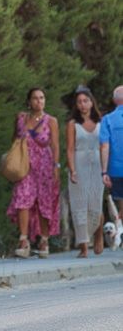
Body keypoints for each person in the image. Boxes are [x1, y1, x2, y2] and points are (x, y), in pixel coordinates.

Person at [6, 87, 60, 259]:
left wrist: (56, 166)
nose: (39, 101)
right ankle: (23, 240)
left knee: (44, 202)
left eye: (42, 97)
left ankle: (44, 240)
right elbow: (14, 138)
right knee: (22, 198)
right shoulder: (21, 118)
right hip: (25, 165)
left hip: (44, 166)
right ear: (29, 101)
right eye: (35, 98)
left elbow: (55, 145)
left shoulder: (51, 120)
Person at [65, 86, 105, 256]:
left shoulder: (101, 122)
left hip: (97, 165)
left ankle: (98, 234)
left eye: (85, 101)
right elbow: (70, 149)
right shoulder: (73, 124)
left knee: (95, 203)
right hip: (79, 165)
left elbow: (105, 146)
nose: (82, 104)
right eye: (79, 102)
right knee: (79, 204)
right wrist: (72, 169)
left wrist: (106, 169)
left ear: (91, 102)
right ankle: (83, 245)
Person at [98, 85, 123, 219]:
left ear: (114, 100)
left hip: (116, 169)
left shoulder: (107, 119)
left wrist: (104, 171)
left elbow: (104, 146)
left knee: (121, 206)